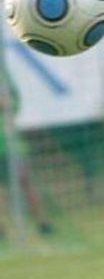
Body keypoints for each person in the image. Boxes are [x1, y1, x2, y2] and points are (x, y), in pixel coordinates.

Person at [0, 67, 53, 241]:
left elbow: (15, 102)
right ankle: (2, 228)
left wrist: (8, 104)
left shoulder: (3, 73)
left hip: (12, 145)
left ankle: (43, 222)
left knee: (25, 182)